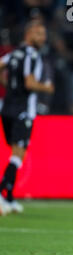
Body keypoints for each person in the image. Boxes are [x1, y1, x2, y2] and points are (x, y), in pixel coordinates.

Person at [0, 20, 54, 216]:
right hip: (23, 111)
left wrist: (9, 86)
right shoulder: (32, 55)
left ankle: (10, 198)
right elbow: (30, 83)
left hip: (6, 108)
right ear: (28, 34)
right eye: (39, 33)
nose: (43, 37)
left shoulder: (14, 53)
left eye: (43, 33)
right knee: (18, 155)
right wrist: (46, 87)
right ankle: (1, 194)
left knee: (15, 153)